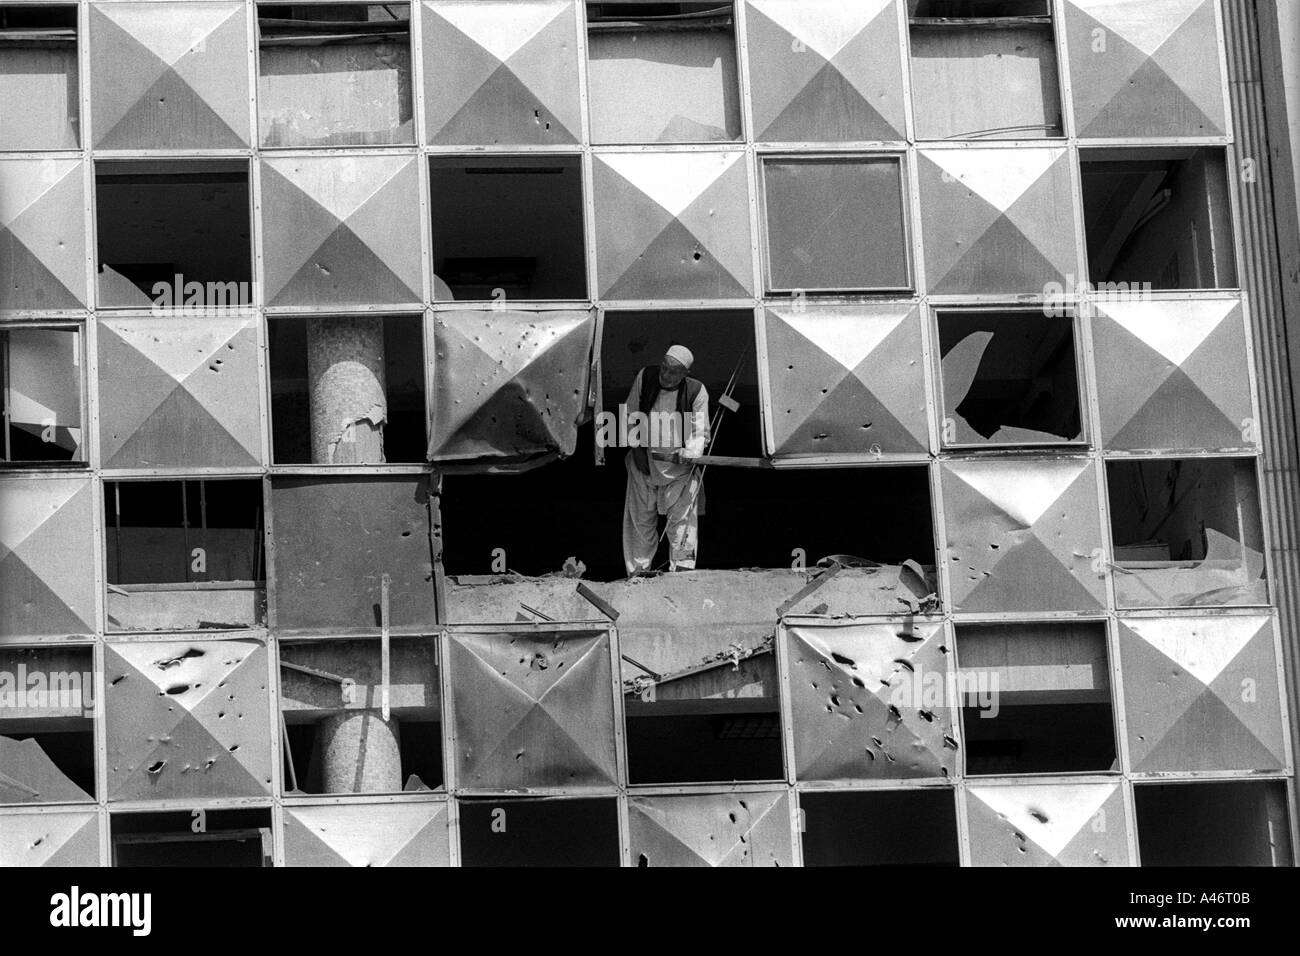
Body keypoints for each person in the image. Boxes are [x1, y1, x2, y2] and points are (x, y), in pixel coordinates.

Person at [623, 345, 710, 575]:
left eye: (673, 371)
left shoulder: (696, 391)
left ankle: (682, 572)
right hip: (645, 465)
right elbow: (631, 415)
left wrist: (689, 452)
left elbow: (700, 432)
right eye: (664, 367)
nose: (665, 374)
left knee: (682, 525)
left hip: (679, 471)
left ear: (685, 374)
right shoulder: (646, 377)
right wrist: (638, 450)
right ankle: (637, 573)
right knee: (641, 522)